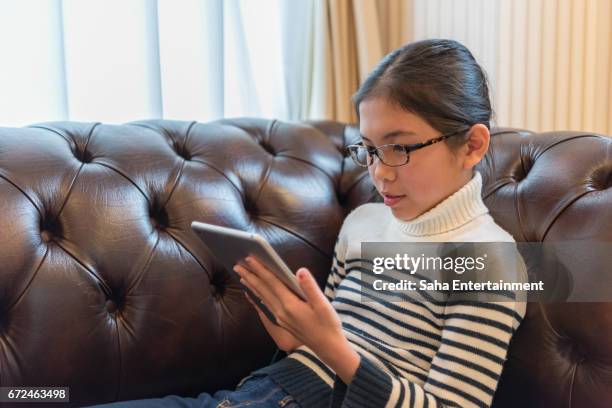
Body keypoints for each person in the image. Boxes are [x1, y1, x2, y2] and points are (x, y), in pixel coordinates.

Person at [89, 38, 527, 408]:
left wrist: (330, 348)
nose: (380, 172)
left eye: (399, 149)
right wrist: (295, 340)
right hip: (259, 393)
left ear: (472, 145)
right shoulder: (363, 223)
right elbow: (327, 352)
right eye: (369, 149)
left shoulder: (489, 261)